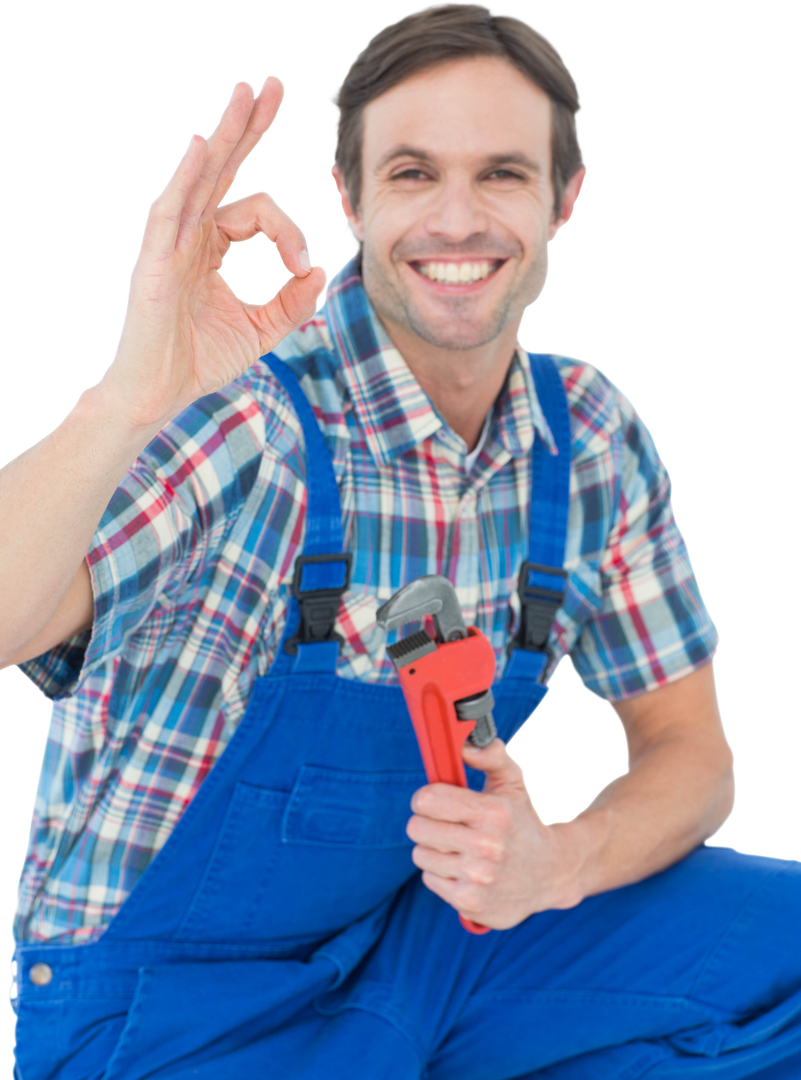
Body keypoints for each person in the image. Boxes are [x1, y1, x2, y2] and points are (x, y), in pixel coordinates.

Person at [2, 3, 799, 1078]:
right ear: (351, 199)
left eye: (504, 175)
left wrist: (556, 863)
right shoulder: (247, 416)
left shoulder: (589, 437)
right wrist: (130, 399)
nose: (458, 220)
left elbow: (692, 757)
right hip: (158, 1007)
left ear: (567, 197)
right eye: (415, 173)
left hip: (419, 952)